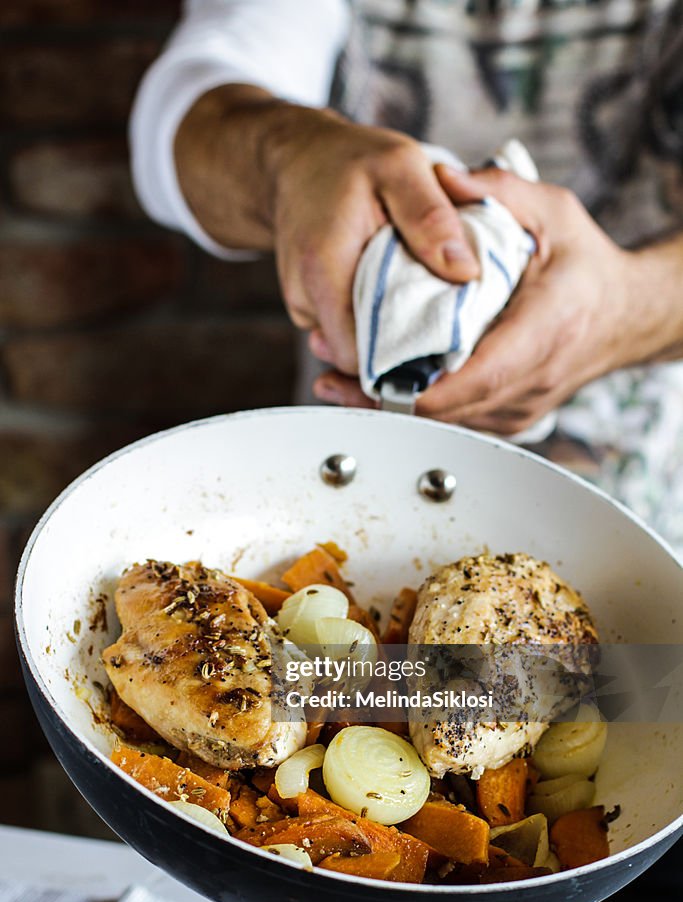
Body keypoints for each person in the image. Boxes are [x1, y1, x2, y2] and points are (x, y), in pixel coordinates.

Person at [130, 0, 683, 552]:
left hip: (647, 509)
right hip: (341, 484)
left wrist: (630, 308)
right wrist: (288, 155)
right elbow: (185, 109)